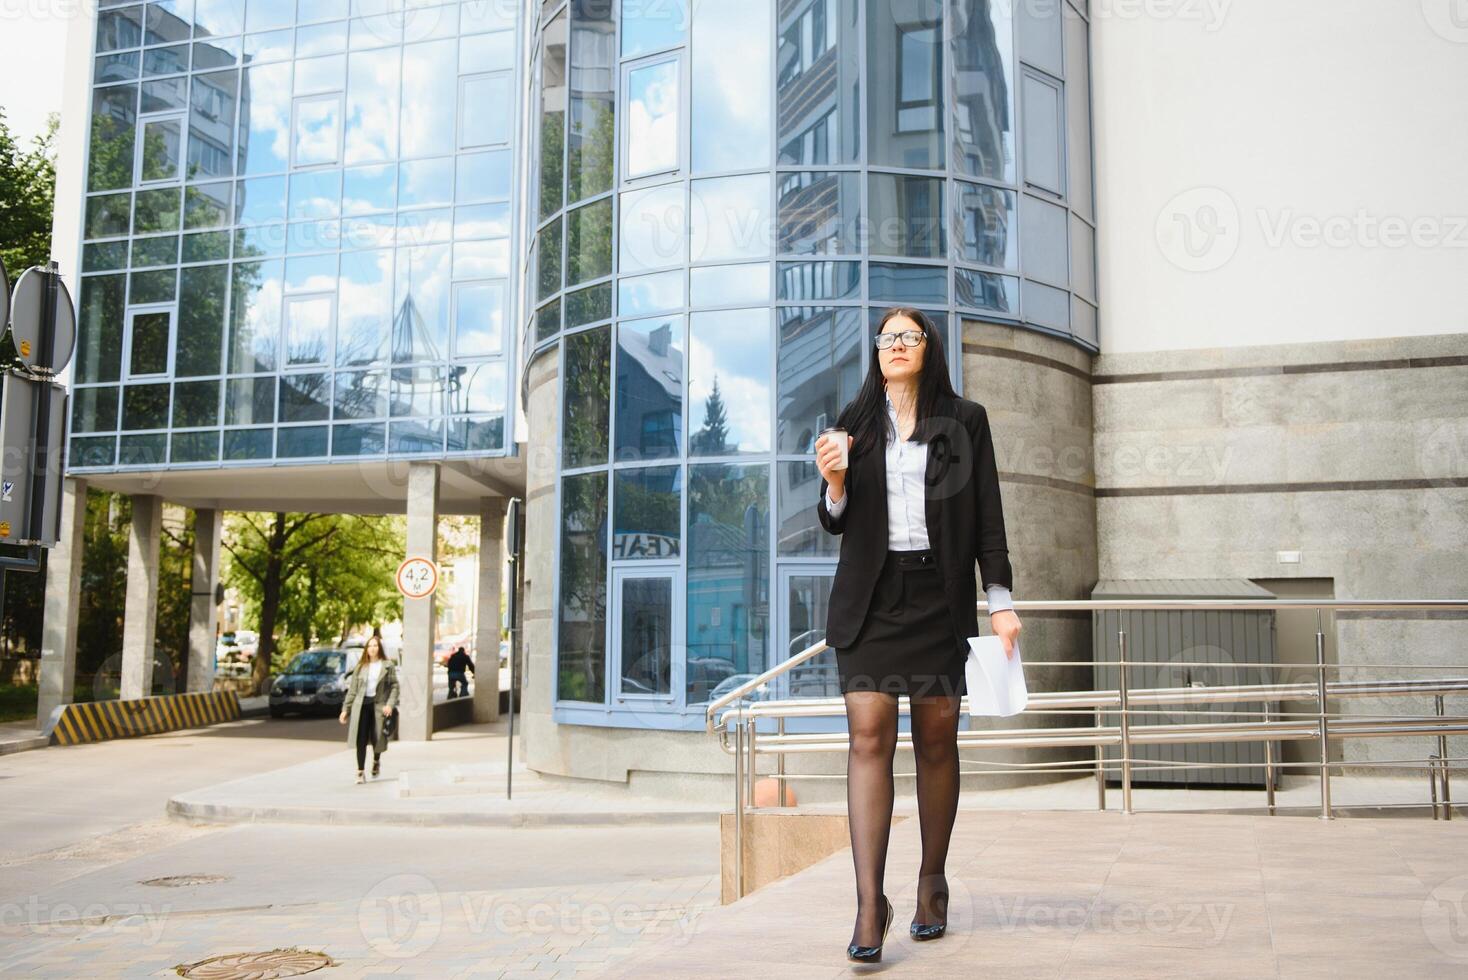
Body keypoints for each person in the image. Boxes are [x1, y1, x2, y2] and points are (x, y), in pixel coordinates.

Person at [814, 306, 1023, 963]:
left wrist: (1000, 601)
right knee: (868, 738)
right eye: (886, 338)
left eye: (908, 336)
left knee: (936, 741)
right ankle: (870, 905)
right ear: (875, 353)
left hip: (939, 597)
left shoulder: (964, 422)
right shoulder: (852, 425)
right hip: (872, 601)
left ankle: (932, 883)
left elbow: (988, 512)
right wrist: (836, 484)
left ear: (929, 348)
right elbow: (835, 518)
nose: (896, 344)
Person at [338, 635, 400, 783]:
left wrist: (389, 704)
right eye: (370, 645)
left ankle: (376, 760)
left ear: (379, 648)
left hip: (379, 705)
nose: (373, 648)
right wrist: (345, 709)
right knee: (361, 738)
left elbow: (394, 686)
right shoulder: (360, 667)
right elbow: (352, 690)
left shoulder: (387, 665)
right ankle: (360, 772)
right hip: (362, 705)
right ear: (367, 649)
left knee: (376, 736)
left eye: (376, 645)